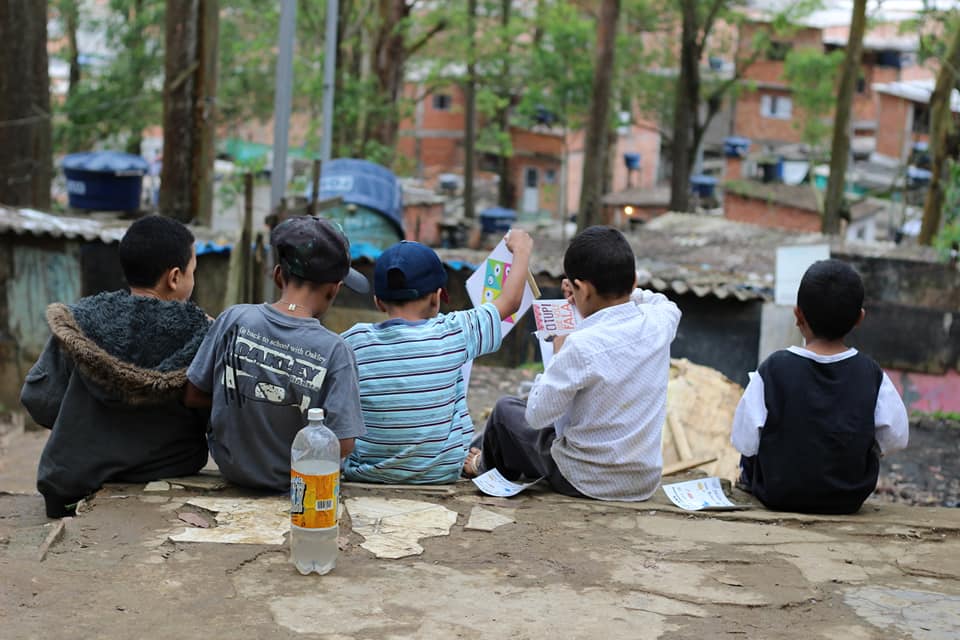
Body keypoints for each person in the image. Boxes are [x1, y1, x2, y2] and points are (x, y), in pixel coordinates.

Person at [465, 226, 681, 501]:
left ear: (582, 288)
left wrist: (558, 352)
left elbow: (537, 416)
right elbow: (660, 301)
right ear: (633, 281)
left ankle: (481, 466)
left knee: (506, 411)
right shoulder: (660, 321)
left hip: (584, 479)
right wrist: (618, 293)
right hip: (642, 481)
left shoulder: (580, 345)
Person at [21, 215, 211, 518]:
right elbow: (214, 417)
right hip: (168, 478)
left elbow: (38, 399)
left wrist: (85, 425)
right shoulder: (203, 334)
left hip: (71, 487)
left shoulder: (80, 322)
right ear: (175, 277)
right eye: (193, 272)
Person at [185, 216, 367, 492]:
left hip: (233, 470)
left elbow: (193, 394)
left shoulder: (233, 319)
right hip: (299, 482)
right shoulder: (335, 350)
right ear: (335, 288)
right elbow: (343, 443)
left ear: (278, 275)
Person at [340, 232, 533, 483]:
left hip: (368, 474)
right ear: (436, 297)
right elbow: (510, 302)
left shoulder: (352, 341)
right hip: (439, 474)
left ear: (378, 301)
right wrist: (522, 250)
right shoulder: (454, 331)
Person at [731, 259, 909, 514]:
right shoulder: (872, 374)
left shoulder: (772, 369)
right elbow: (896, 438)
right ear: (859, 318)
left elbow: (745, 440)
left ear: (797, 315)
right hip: (847, 500)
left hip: (778, 494)